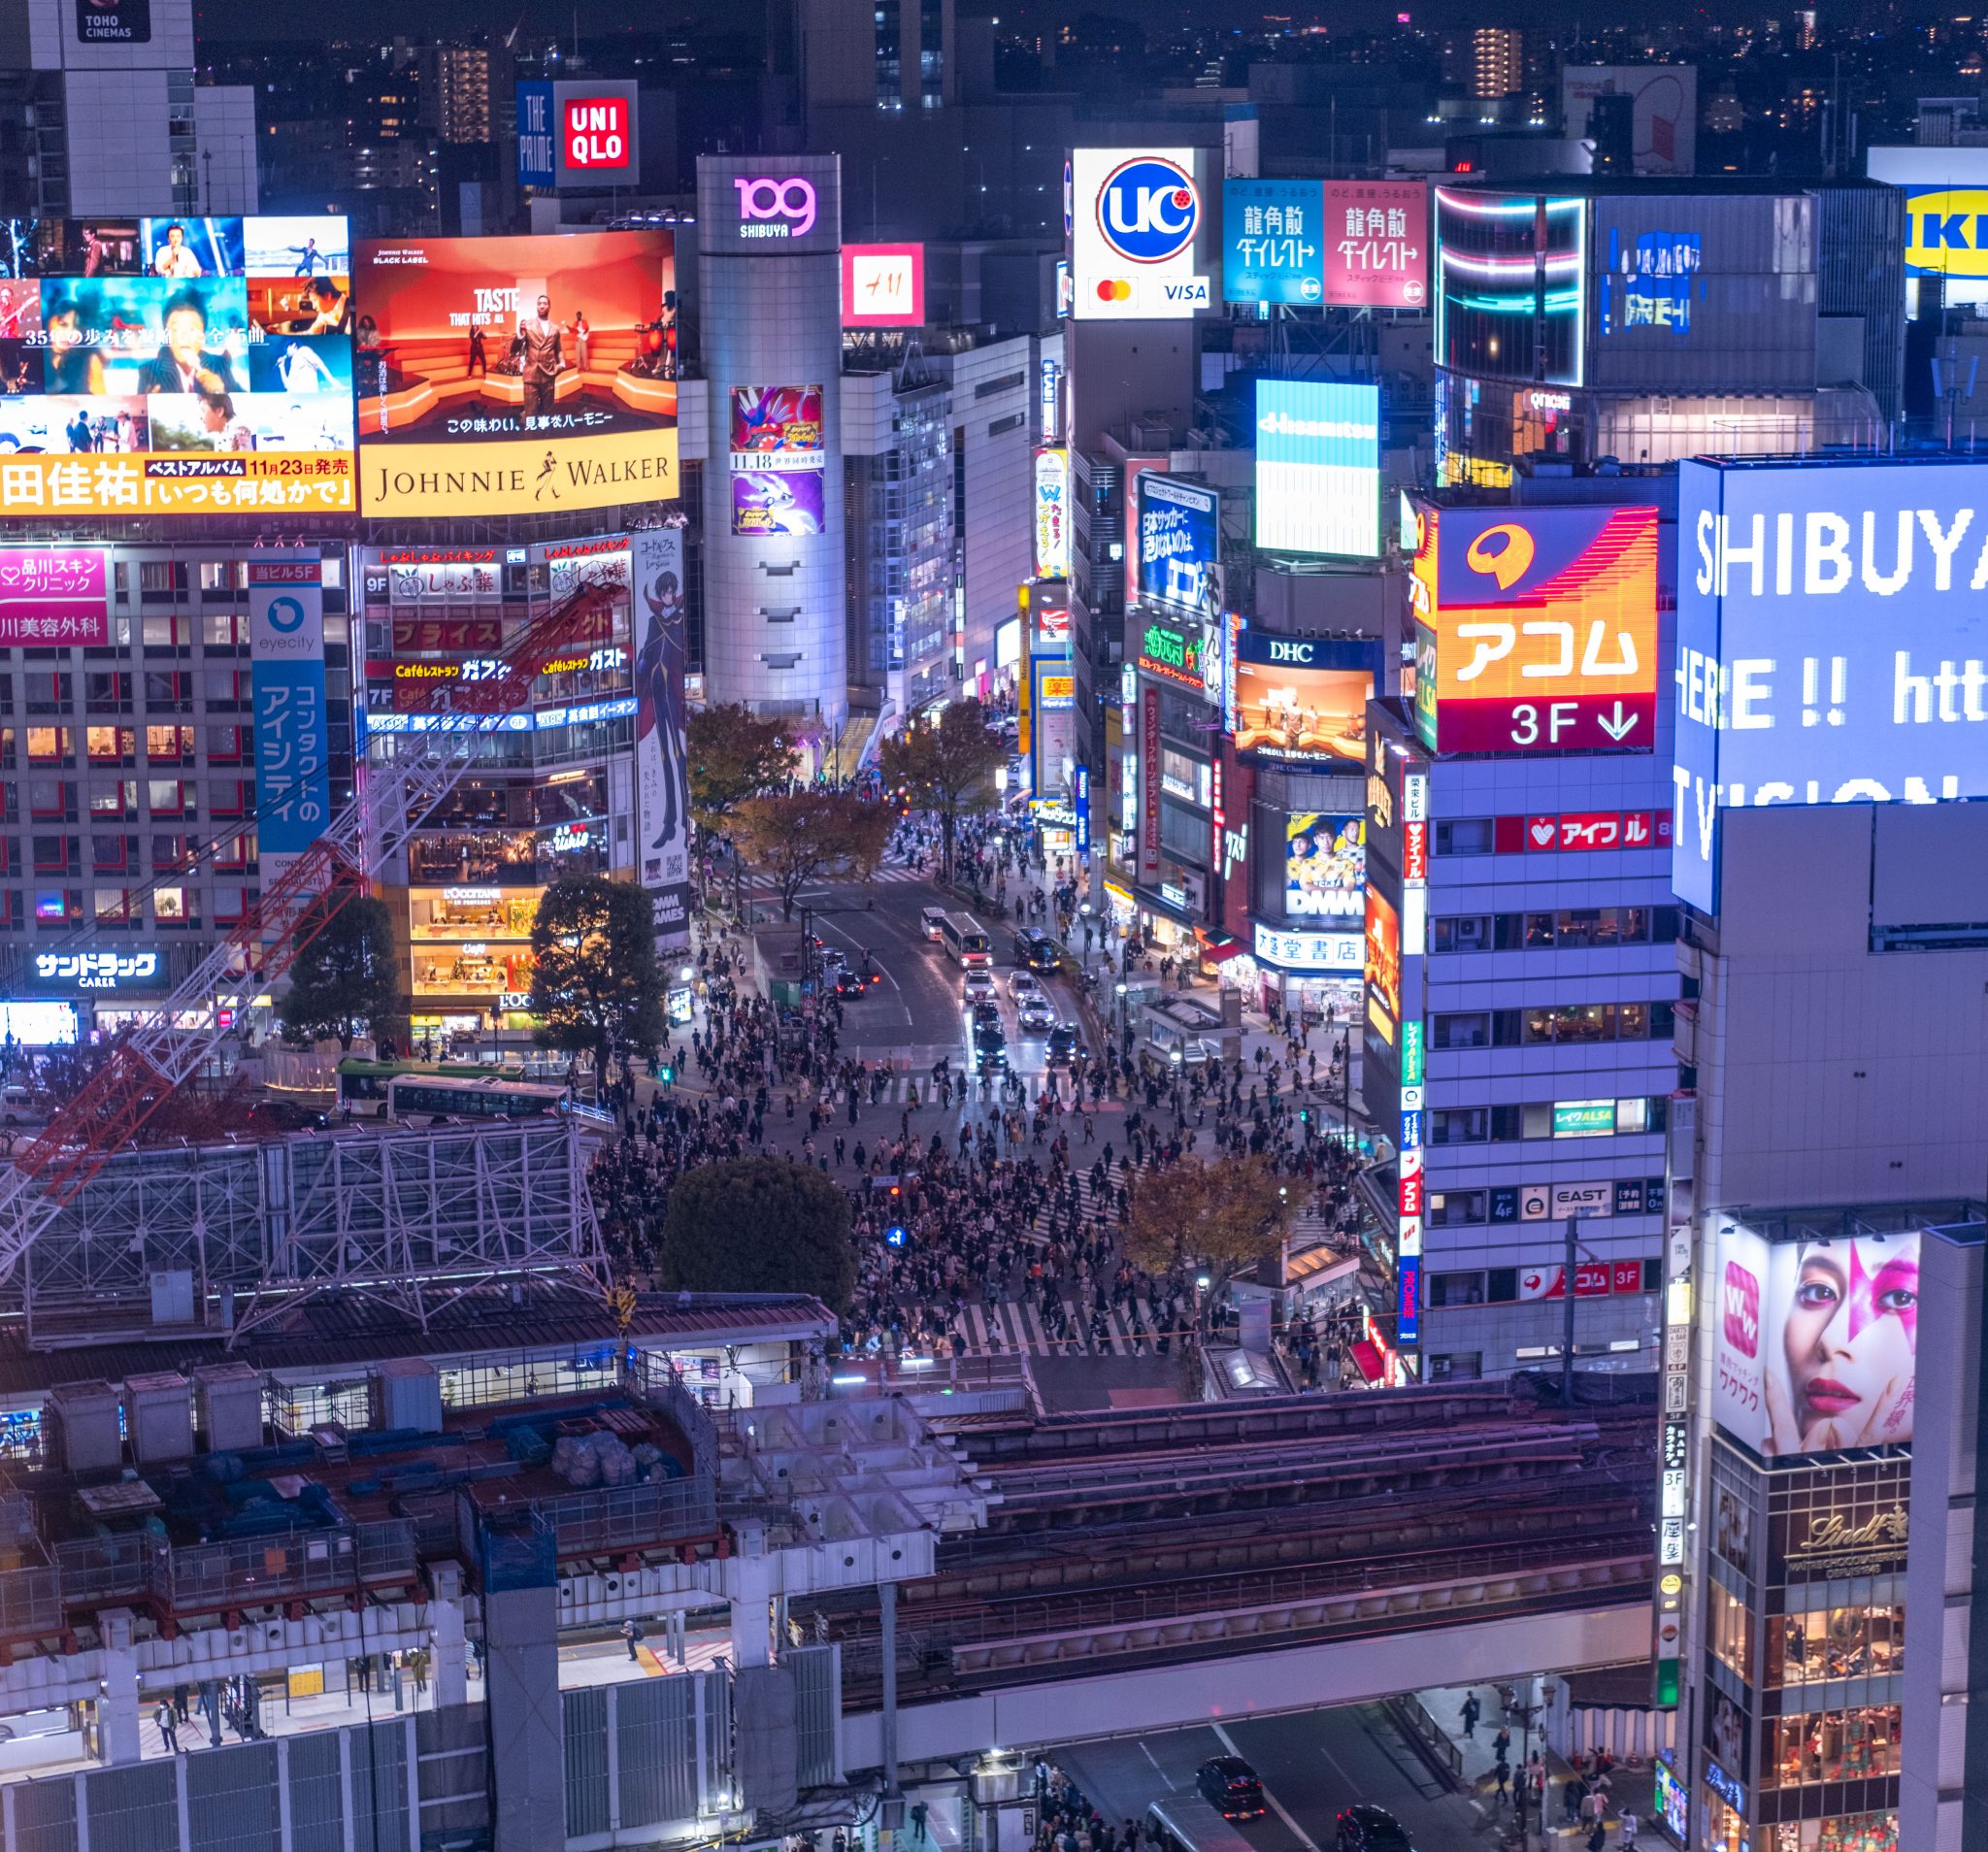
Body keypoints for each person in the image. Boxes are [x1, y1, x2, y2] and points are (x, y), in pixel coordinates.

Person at [139, 291, 239, 394]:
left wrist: (220, 393)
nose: (183, 337)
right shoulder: (149, 370)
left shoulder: (219, 365)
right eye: (176, 329)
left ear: (203, 337)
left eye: (191, 329)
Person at [516, 293, 564, 419]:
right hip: (531, 376)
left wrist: (562, 364)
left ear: (549, 307)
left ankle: (547, 438)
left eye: (544, 303)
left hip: (548, 374)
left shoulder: (555, 329)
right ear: (536, 307)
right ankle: (531, 438)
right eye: (539, 304)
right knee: (530, 415)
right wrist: (520, 335)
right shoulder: (528, 324)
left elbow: (558, 349)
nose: (541, 306)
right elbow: (514, 349)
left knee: (547, 414)